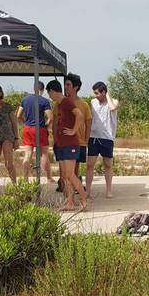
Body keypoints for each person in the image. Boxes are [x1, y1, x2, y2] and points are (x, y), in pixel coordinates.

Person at [47, 80, 88, 211]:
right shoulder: (58, 105)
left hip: (71, 144)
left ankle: (84, 200)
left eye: (49, 93)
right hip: (61, 144)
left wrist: (74, 130)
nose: (50, 96)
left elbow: (80, 115)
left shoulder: (66, 102)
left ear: (53, 91)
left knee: (70, 175)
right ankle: (69, 202)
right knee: (64, 176)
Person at [85, 81, 119, 198]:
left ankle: (108, 190)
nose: (95, 96)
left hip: (107, 138)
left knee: (108, 165)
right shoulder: (93, 102)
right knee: (90, 165)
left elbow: (113, 108)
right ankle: (88, 190)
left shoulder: (113, 102)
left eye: (97, 93)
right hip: (94, 137)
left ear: (104, 92)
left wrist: (107, 96)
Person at [17, 80, 54, 183]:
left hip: (28, 128)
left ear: (33, 88)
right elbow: (51, 117)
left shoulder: (25, 99)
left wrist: (25, 122)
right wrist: (46, 125)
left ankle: (25, 179)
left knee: (27, 153)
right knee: (44, 154)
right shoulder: (44, 101)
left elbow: (18, 115)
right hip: (40, 128)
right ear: (42, 89)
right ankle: (47, 177)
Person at [64, 73, 92, 189]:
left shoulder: (84, 104)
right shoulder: (61, 102)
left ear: (75, 87)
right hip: (64, 141)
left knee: (74, 169)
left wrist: (86, 140)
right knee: (66, 170)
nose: (66, 87)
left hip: (79, 141)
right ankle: (70, 191)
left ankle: (76, 191)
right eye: (65, 84)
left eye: (68, 84)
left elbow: (88, 123)